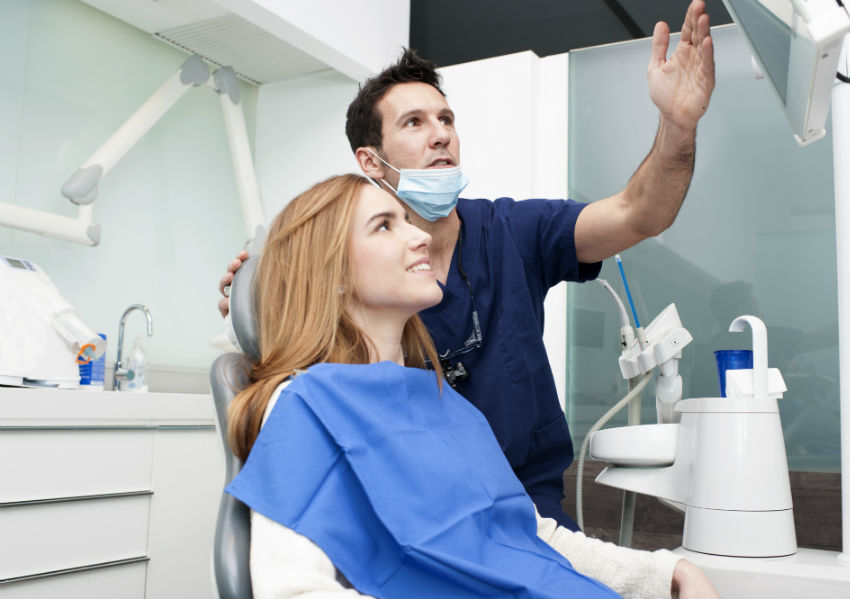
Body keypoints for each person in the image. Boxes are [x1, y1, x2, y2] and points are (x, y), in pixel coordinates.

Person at [220, 0, 716, 531]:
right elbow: (291, 334)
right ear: (370, 161)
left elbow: (640, 213)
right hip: (418, 515)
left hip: (529, 514)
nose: (441, 135)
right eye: (414, 122)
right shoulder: (350, 267)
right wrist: (255, 292)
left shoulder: (513, 231)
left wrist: (677, 126)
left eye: (446, 119)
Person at [225, 173, 719, 598]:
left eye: (406, 220)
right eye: (384, 226)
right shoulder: (306, 405)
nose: (417, 236)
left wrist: (666, 572)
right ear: (329, 273)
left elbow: (526, 536)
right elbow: (294, 590)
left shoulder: (444, 403)